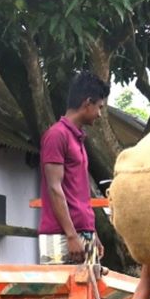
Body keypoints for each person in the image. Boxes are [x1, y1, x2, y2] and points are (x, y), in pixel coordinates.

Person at [39, 71, 108, 265]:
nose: (100, 114)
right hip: (61, 236)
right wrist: (71, 235)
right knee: (61, 296)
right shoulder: (56, 135)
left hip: (82, 233)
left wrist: (92, 232)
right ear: (87, 102)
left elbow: (78, 192)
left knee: (90, 295)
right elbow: (55, 187)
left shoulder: (77, 137)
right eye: (99, 107)